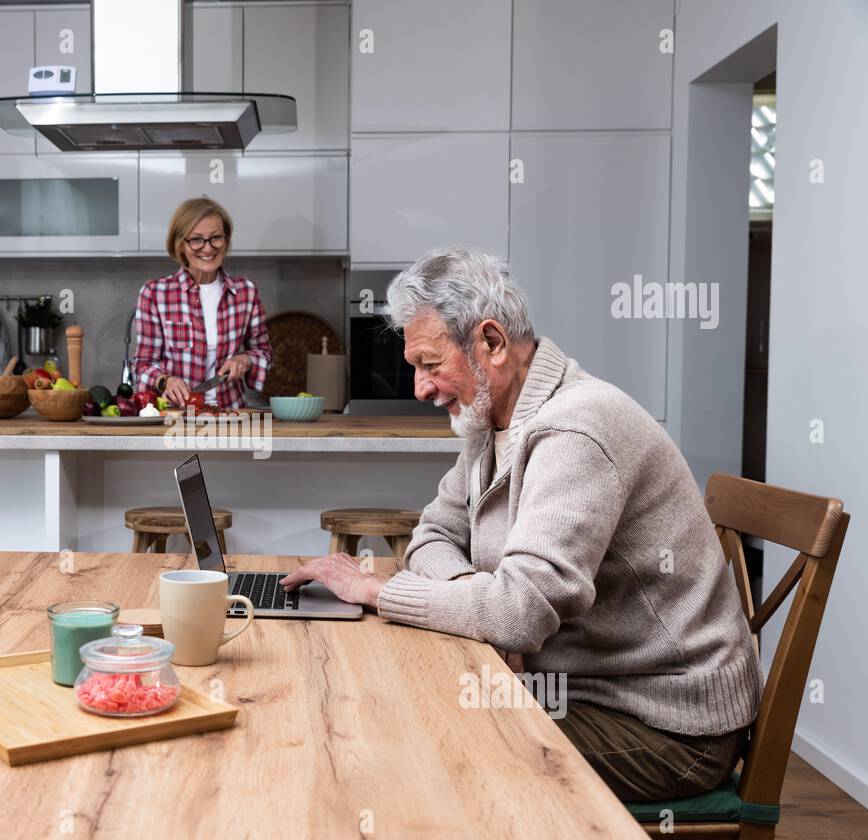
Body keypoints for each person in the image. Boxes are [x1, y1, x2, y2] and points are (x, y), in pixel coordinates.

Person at [280, 247, 762, 802]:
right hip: (576, 688)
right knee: (404, 712)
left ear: (491, 344)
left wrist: (379, 590)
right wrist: (471, 595)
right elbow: (433, 536)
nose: (420, 389)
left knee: (428, 749)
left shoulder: (576, 430)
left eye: (430, 365)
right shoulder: (491, 421)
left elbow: (519, 612)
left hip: (665, 724)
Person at [133, 197, 272, 410]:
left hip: (230, 417)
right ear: (180, 244)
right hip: (174, 418)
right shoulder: (155, 294)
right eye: (196, 240)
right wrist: (165, 380)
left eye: (216, 238)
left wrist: (245, 359)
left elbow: (263, 352)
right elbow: (142, 365)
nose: (208, 249)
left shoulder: (246, 293)